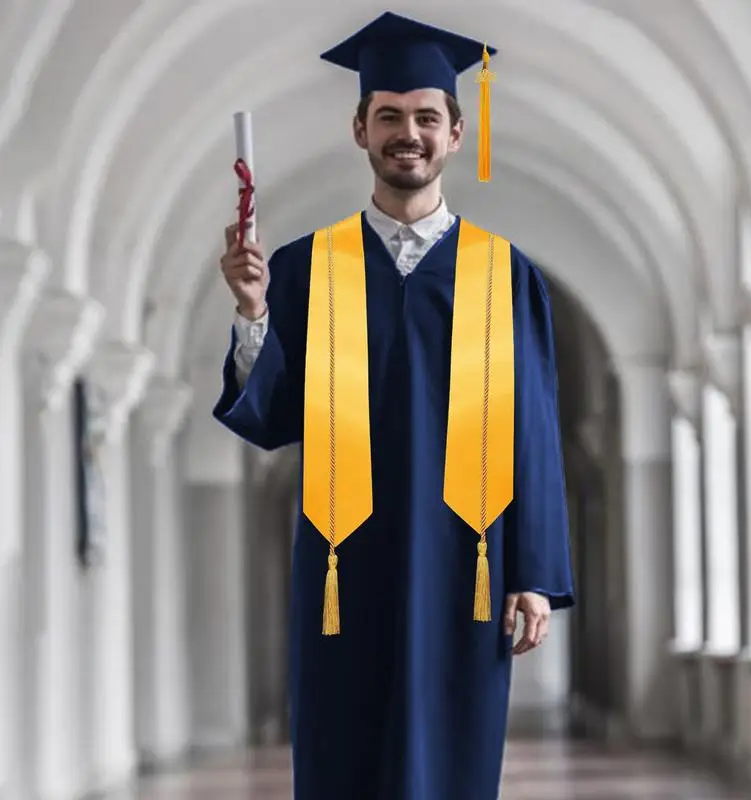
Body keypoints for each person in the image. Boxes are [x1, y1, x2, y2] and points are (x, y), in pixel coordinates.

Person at [214, 11, 575, 800]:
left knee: (453, 760)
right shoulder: (306, 268)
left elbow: (535, 430)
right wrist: (252, 314)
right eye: (388, 117)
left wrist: (537, 573)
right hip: (346, 566)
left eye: (423, 118)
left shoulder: (503, 275)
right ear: (359, 129)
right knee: (344, 752)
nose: (405, 132)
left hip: (467, 567)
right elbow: (270, 418)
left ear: (453, 134)